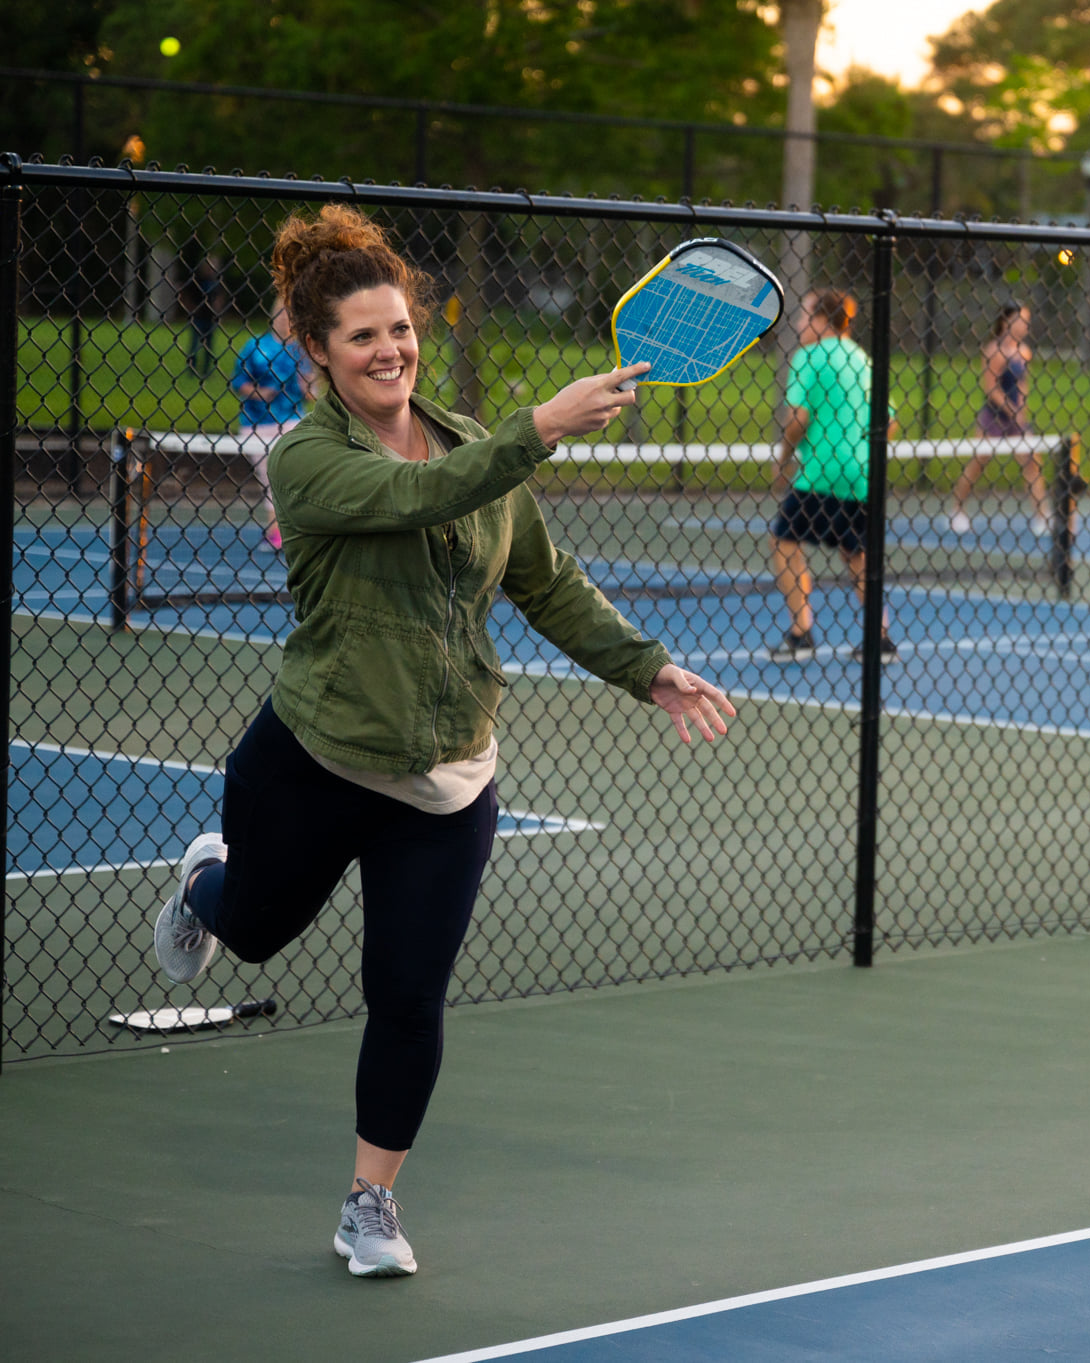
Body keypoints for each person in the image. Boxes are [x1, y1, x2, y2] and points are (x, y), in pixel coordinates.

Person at [149, 204, 737, 1279]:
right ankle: (204, 889)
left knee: (409, 995)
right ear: (318, 351)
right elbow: (416, 497)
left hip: (452, 777)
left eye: (401, 328)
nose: (390, 350)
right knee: (260, 930)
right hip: (314, 761)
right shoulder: (306, 460)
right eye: (363, 335)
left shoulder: (472, 444)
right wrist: (541, 425)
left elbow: (545, 580)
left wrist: (643, 665)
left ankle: (370, 1201)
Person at [767, 288, 900, 663]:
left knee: (784, 540)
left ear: (823, 321)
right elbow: (888, 420)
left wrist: (783, 458)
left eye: (805, 315)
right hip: (861, 473)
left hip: (822, 472)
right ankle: (881, 639)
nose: (798, 323)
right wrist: (860, 451)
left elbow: (798, 419)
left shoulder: (808, 356)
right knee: (856, 552)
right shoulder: (861, 359)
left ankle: (801, 632)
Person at [947, 300, 1049, 536]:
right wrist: (1008, 408)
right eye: (1020, 320)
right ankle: (957, 510)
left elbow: (1022, 384)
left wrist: (1020, 409)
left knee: (1032, 463)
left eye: (1026, 322)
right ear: (1006, 321)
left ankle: (1042, 516)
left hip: (1017, 420)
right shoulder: (993, 351)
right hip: (994, 417)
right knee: (979, 462)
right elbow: (991, 387)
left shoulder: (1024, 352)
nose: (1024, 326)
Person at [229, 297, 313, 550]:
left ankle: (294, 529)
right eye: (283, 313)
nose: (287, 319)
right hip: (258, 422)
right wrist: (259, 393)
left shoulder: (301, 349)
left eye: (292, 314)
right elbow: (238, 382)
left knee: (294, 474)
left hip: (291, 419)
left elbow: (311, 392)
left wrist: (308, 385)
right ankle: (276, 530)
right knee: (270, 477)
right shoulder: (255, 346)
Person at [184, 253, 225, 377]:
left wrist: (218, 310)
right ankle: (192, 370)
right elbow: (185, 294)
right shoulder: (196, 279)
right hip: (197, 317)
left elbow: (220, 296)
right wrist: (192, 308)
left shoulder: (216, 281)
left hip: (210, 317)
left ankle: (206, 371)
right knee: (194, 345)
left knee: (209, 346)